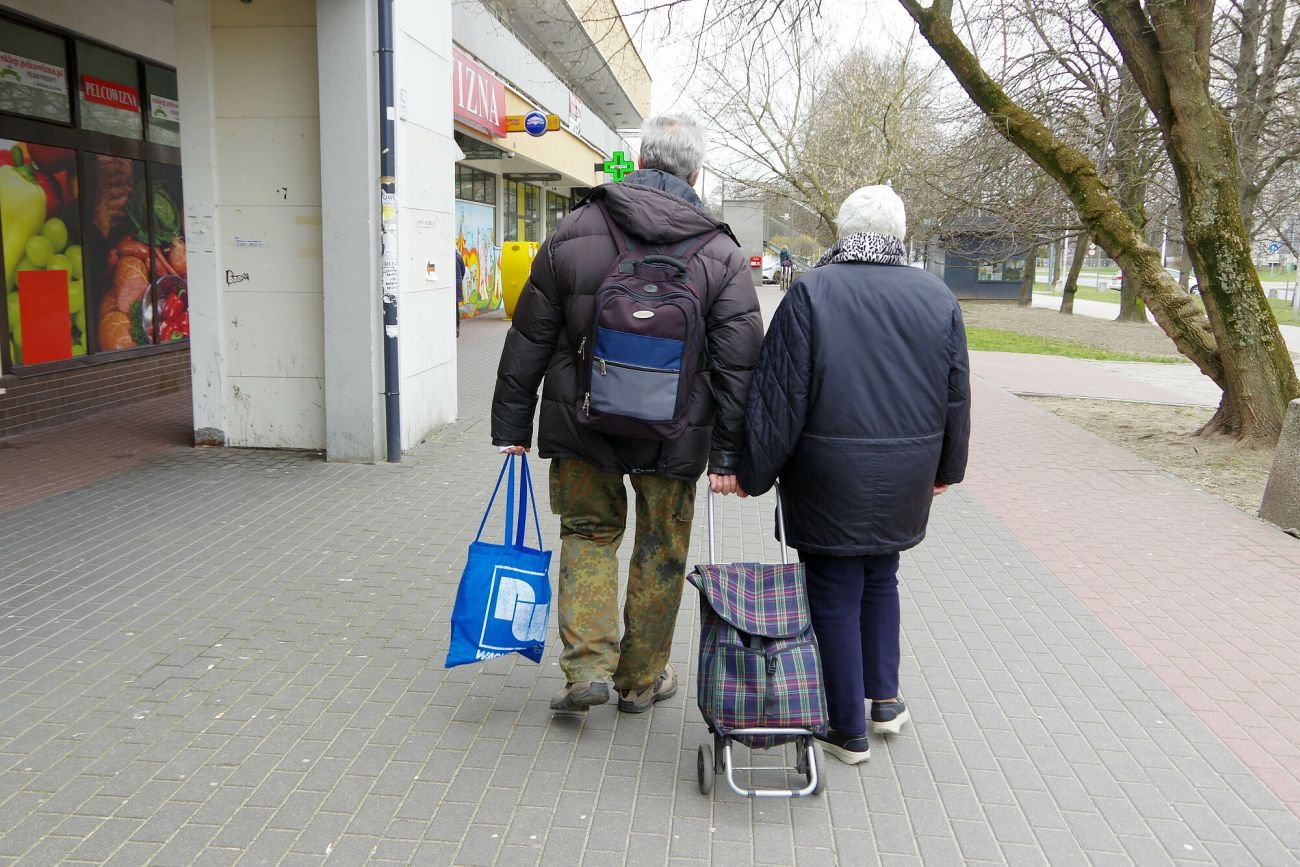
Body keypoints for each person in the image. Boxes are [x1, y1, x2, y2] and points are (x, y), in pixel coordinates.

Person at [491, 115, 763, 715]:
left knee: (588, 533)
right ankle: (640, 680)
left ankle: (586, 666)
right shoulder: (720, 252)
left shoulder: (577, 228)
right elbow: (741, 365)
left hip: (580, 422)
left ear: (640, 160)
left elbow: (529, 334)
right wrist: (731, 455)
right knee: (661, 548)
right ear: (695, 172)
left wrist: (511, 425)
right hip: (677, 432)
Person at [737, 185, 971, 764]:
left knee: (835, 592)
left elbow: (780, 394)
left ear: (843, 232)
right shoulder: (935, 295)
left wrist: (752, 469)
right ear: (898, 230)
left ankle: (846, 727)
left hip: (828, 473)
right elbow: (956, 394)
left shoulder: (813, 290)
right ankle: (884, 701)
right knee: (881, 578)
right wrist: (948, 468)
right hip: (907, 471)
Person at [455, 249, 465, 338]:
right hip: (457, 283)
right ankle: (456, 328)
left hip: (451, 284)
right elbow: (463, 270)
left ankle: (455, 328)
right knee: (455, 306)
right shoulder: (458, 255)